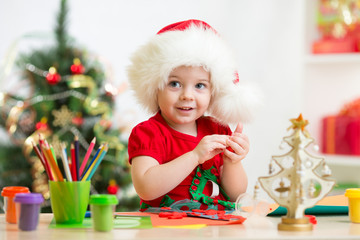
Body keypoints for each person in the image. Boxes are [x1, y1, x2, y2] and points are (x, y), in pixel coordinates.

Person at [127, 19, 261, 211]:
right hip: (164, 228)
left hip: (213, 227)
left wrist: (233, 161)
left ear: (213, 92)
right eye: (174, 83)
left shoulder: (217, 129)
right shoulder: (149, 133)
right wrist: (195, 156)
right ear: (155, 87)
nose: (187, 95)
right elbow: (146, 188)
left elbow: (236, 194)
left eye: (200, 85)